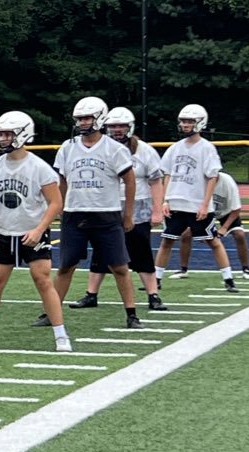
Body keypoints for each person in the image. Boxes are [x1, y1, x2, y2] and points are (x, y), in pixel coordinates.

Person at [0, 111, 70, 352]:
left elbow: (56, 203)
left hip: (32, 232)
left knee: (43, 281)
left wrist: (39, 229)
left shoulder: (39, 168)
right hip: (3, 232)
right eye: (0, 134)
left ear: (23, 135)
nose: (2, 138)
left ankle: (61, 334)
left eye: (8, 134)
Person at [39, 96, 142, 329]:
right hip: (75, 214)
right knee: (66, 265)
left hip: (106, 214)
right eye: (80, 119)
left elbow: (130, 180)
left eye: (87, 118)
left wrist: (128, 214)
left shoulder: (114, 149)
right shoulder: (68, 147)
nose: (83, 123)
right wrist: (60, 206)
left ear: (99, 118)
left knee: (119, 266)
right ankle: (50, 313)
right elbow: (62, 180)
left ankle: (132, 314)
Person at [72, 106, 169, 311]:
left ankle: (153, 295)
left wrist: (157, 209)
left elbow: (155, 181)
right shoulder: (102, 147)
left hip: (137, 207)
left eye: (121, 126)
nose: (117, 130)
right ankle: (91, 294)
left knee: (141, 251)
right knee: (100, 251)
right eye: (113, 126)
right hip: (108, 206)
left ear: (130, 127)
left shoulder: (144, 150)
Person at [154, 105, 240, 293]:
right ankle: (156, 279)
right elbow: (167, 174)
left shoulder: (206, 148)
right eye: (183, 121)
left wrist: (204, 204)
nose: (185, 125)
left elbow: (212, 177)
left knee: (213, 240)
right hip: (176, 203)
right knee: (167, 240)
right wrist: (165, 200)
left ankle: (228, 279)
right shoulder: (174, 148)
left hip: (196, 205)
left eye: (190, 121)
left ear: (200, 123)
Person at [175, 171, 249, 280]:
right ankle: (183, 269)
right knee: (186, 234)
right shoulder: (197, 182)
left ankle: (246, 269)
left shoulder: (227, 181)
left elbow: (236, 209)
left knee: (240, 235)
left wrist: (224, 228)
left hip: (226, 212)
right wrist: (200, 230)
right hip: (205, 212)